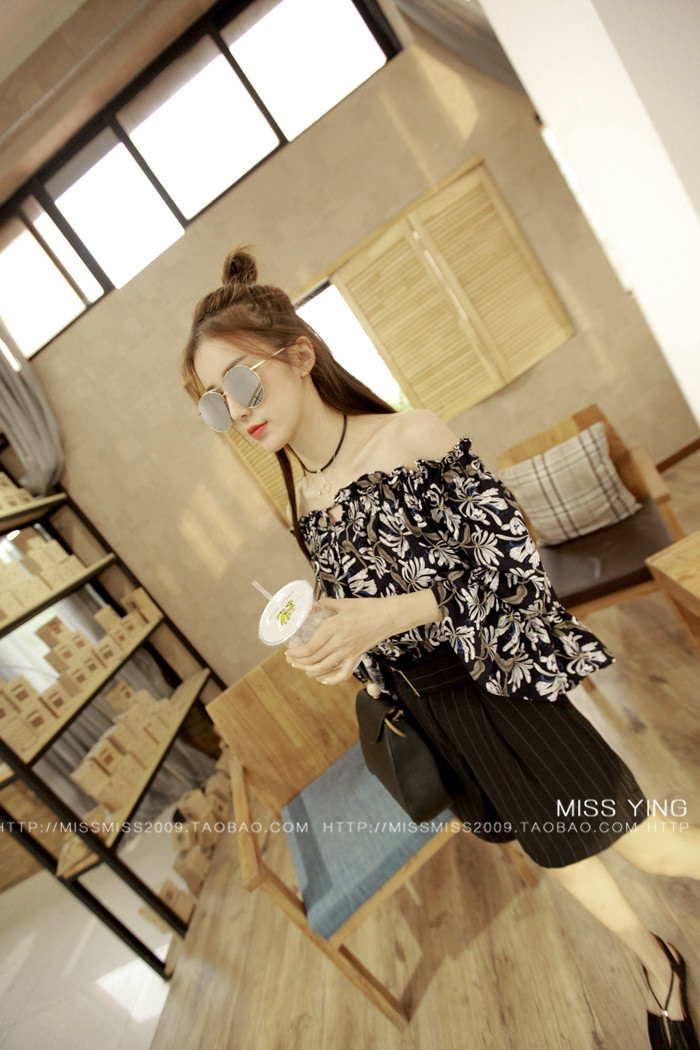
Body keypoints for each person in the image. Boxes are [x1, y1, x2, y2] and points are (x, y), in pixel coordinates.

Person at [183, 247, 700, 1050]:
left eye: (244, 384)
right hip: (434, 715)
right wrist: (340, 648)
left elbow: (515, 563)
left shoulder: (409, 436)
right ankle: (654, 961)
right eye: (216, 405)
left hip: (495, 683)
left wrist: (382, 618)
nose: (238, 413)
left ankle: (657, 950)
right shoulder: (305, 494)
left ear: (301, 356)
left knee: (646, 840)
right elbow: (371, 614)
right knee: (552, 848)